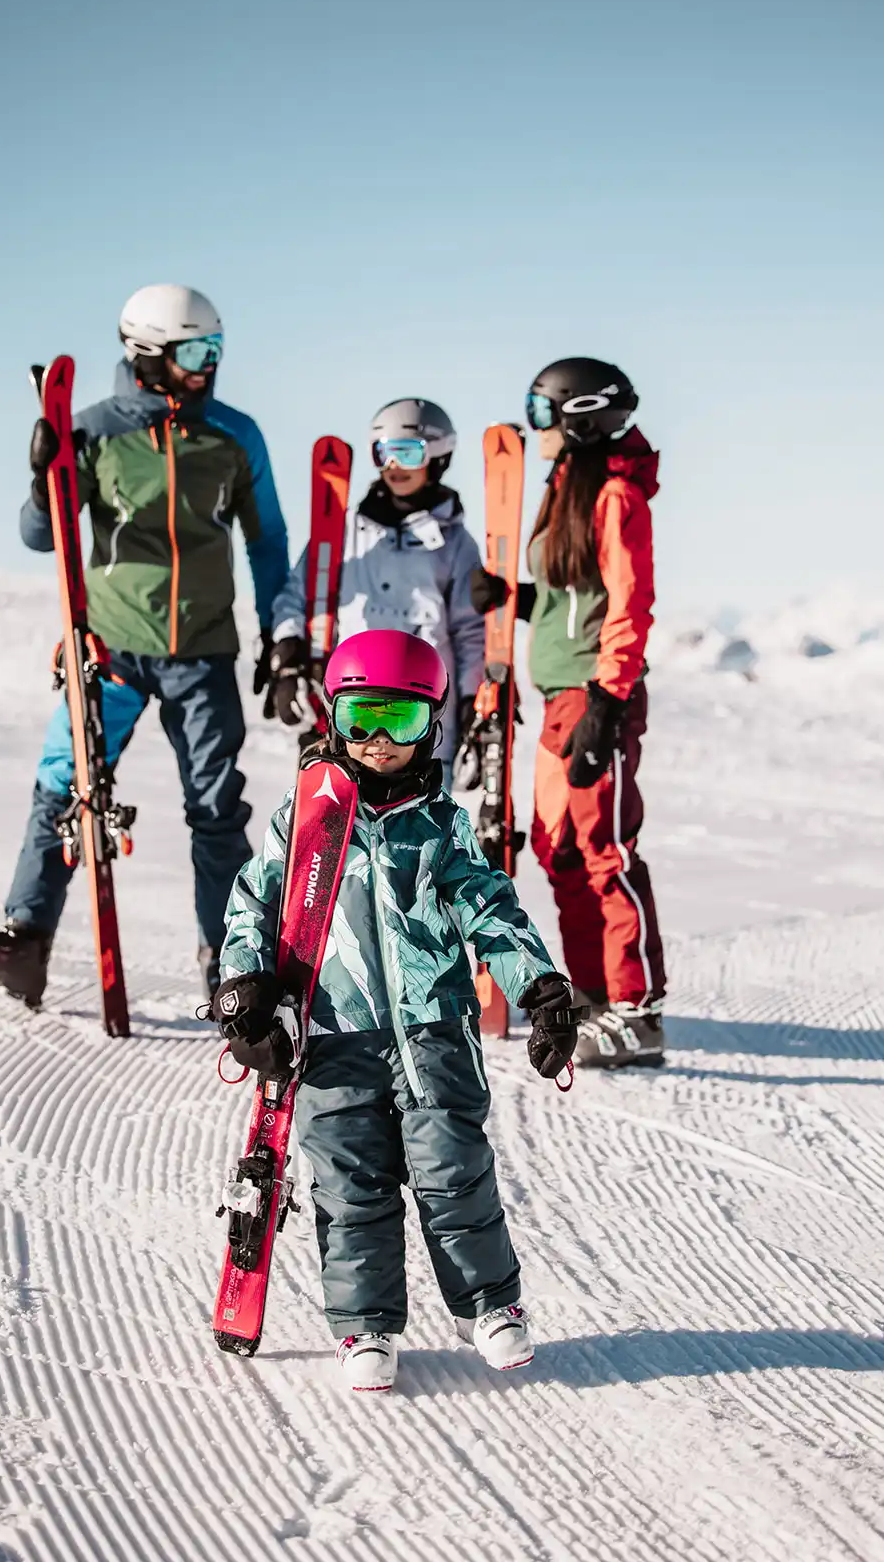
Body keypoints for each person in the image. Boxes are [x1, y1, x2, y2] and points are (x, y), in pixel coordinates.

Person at [212, 629, 583, 1391]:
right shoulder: (304, 820)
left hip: (432, 1032)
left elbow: (490, 910)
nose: (379, 742)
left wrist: (538, 987)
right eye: (362, 719)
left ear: (431, 726)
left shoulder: (441, 826)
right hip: (330, 1034)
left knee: (455, 1173)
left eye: (402, 723)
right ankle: (365, 1326)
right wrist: (243, 986)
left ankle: (491, 1305)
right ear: (335, 717)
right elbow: (253, 903)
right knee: (350, 1186)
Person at [0, 284, 289, 1005]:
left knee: (216, 810)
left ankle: (230, 961)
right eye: (195, 352)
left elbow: (268, 544)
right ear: (146, 354)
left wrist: (283, 636)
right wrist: (45, 481)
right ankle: (27, 941)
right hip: (111, 649)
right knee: (63, 785)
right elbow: (42, 537)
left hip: (203, 652)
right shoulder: (95, 431)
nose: (209, 367)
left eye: (216, 350)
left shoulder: (234, 435)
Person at [471, 357, 666, 1069]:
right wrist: (512, 597)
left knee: (605, 852)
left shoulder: (615, 495)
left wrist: (608, 706)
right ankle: (590, 994)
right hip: (558, 696)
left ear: (577, 414)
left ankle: (637, 1012)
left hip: (594, 695)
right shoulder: (566, 487)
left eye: (542, 409)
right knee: (559, 853)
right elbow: (568, 595)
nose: (536, 426)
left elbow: (627, 604)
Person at [265, 399, 484, 786]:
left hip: (420, 712)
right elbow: (296, 597)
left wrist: (471, 699)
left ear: (438, 455)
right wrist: (287, 651)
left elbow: (470, 631)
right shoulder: (341, 532)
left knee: (420, 830)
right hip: (351, 707)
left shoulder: (455, 543)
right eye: (382, 453)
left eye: (407, 452)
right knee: (339, 828)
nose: (393, 466)